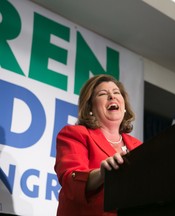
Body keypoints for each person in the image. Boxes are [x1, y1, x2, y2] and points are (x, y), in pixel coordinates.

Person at [54, 74, 142, 215]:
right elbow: (71, 181)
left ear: (124, 106)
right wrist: (102, 174)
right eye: (103, 94)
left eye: (116, 93)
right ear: (90, 107)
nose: (112, 97)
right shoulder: (75, 134)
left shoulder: (137, 145)